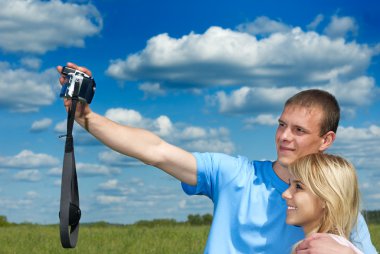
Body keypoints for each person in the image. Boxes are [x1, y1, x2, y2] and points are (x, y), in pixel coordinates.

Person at [57, 62, 377, 254]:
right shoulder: (235, 174)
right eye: (281, 125)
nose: (284, 137)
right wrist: (86, 118)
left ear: (326, 140)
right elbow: (155, 150)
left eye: (299, 130)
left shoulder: (336, 206)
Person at [282, 153, 363, 254]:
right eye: (289, 184)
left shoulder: (316, 249)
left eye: (298, 186)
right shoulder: (339, 246)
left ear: (326, 199)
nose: (285, 194)